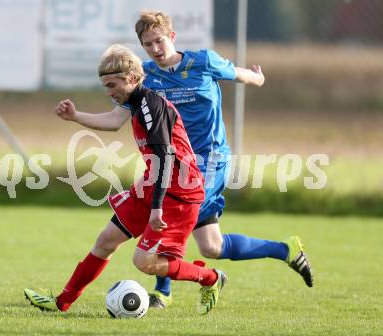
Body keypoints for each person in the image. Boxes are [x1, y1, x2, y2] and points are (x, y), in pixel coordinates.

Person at [24, 44, 227, 315]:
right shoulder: (135, 103)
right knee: (106, 240)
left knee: (144, 261)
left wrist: (156, 208)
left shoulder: (150, 106)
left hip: (178, 194)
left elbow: (165, 158)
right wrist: (74, 116)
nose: (109, 92)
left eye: (112, 85)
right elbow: (112, 121)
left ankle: (211, 279)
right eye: (105, 86)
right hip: (154, 183)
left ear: (132, 78)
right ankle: (61, 303)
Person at [130, 10, 314, 308]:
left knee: (172, 212)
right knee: (212, 246)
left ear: (172, 37)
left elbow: (236, 73)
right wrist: (77, 116)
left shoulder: (203, 61)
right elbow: (121, 110)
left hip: (210, 160)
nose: (155, 48)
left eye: (159, 40)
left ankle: (162, 291)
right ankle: (286, 250)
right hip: (176, 165)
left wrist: (257, 78)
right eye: (148, 44)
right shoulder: (147, 76)